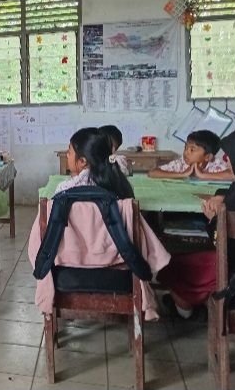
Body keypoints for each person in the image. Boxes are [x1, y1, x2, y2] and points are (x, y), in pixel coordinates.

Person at [28, 127, 170, 320]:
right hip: (118, 276)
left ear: (82, 161)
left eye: (69, 151)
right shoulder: (121, 193)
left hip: (69, 274)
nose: (67, 155)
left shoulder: (61, 196)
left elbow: (38, 247)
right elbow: (144, 248)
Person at [159, 121, 235, 319]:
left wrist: (213, 219)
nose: (228, 161)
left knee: (172, 265)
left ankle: (187, 309)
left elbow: (224, 245)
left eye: (233, 156)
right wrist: (225, 195)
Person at [148, 130, 232, 180]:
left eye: (192, 149)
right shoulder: (181, 163)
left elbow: (233, 175)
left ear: (208, 157)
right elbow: (152, 173)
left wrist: (202, 175)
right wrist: (182, 174)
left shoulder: (215, 164)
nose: (186, 152)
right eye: (185, 148)